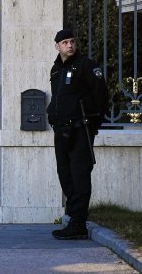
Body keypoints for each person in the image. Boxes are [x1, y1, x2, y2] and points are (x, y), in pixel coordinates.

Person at [47, 29, 109, 240]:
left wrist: (93, 125)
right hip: (61, 130)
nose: (70, 45)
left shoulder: (86, 66)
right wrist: (52, 116)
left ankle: (78, 223)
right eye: (65, 42)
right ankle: (73, 216)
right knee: (65, 174)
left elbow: (101, 95)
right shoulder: (56, 70)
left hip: (80, 129)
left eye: (72, 41)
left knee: (80, 174)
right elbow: (57, 97)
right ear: (57, 46)